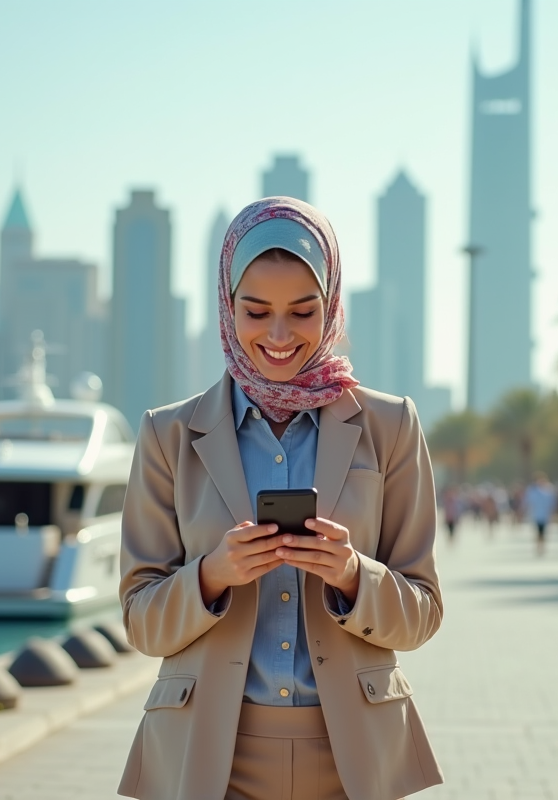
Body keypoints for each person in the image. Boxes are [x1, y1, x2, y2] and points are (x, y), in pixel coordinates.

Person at [116, 197, 444, 800]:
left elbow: (423, 610)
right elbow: (140, 619)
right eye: (256, 310)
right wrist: (212, 575)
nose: (277, 335)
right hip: (210, 759)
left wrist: (352, 575)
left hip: (352, 760)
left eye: (302, 311)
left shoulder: (390, 425)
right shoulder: (168, 435)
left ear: (333, 305)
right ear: (226, 305)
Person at [524, 472, 557, 556]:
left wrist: (552, 514)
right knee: (538, 532)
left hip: (545, 516)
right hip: (536, 515)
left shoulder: (549, 490)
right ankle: (538, 547)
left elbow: (552, 503)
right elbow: (528, 502)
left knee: (543, 532)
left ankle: (542, 547)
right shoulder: (532, 491)